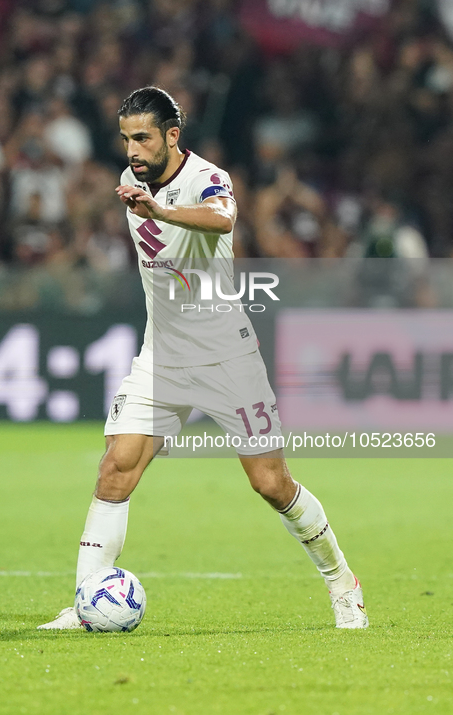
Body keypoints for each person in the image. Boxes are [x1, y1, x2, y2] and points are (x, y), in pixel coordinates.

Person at [38, 87, 368, 631]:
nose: (133, 150)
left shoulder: (208, 178)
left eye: (142, 137)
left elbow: (222, 220)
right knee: (116, 468)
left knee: (271, 483)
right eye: (125, 139)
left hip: (226, 354)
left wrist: (159, 208)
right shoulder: (130, 184)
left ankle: (341, 581)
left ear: (172, 135)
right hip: (162, 355)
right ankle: (86, 600)